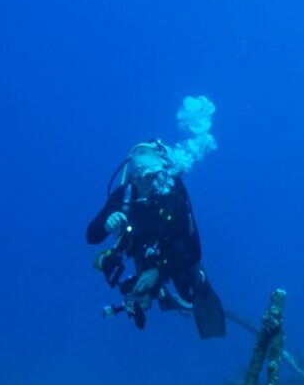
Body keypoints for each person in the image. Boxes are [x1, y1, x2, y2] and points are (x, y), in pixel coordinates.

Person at [87, 141, 226, 338]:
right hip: (142, 254)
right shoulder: (123, 196)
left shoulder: (173, 192)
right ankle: (161, 296)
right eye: (147, 178)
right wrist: (106, 225)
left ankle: (187, 289)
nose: (154, 183)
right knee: (139, 295)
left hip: (175, 252)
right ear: (134, 177)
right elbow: (91, 236)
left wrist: (159, 271)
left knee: (191, 290)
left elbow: (194, 252)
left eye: (157, 175)